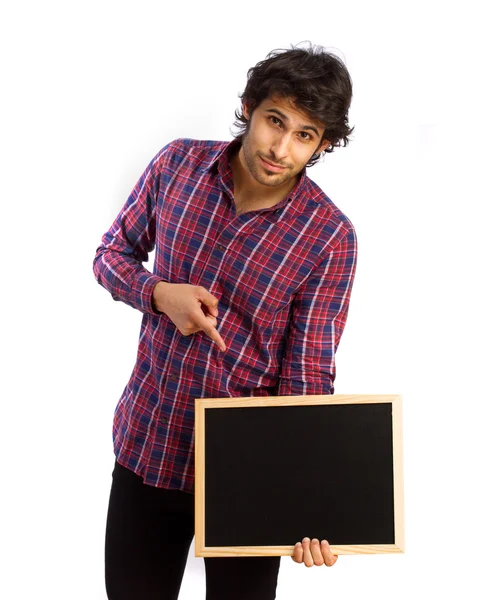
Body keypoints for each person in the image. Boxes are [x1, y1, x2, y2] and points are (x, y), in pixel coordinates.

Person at [93, 43, 357, 600]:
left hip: (249, 474)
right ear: (249, 108)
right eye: (275, 121)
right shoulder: (176, 166)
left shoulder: (329, 236)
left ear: (323, 144)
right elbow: (110, 257)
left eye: (305, 135)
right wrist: (159, 292)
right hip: (150, 442)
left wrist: (310, 501)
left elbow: (307, 378)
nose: (281, 148)